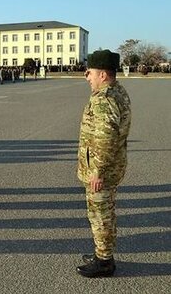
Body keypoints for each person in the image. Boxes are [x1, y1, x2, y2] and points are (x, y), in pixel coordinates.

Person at [76, 50, 131, 278]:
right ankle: (102, 253)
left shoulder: (104, 99)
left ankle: (104, 261)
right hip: (112, 165)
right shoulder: (118, 91)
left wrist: (97, 171)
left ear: (103, 75)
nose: (87, 76)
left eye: (90, 72)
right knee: (105, 211)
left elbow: (106, 137)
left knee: (100, 214)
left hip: (102, 170)